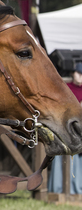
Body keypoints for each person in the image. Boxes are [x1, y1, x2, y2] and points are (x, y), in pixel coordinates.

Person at [48, 63, 82, 193]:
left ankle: (77, 188)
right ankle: (58, 187)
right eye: (79, 74)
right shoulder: (66, 88)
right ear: (73, 73)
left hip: (80, 131)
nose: (80, 77)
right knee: (62, 155)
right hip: (64, 128)